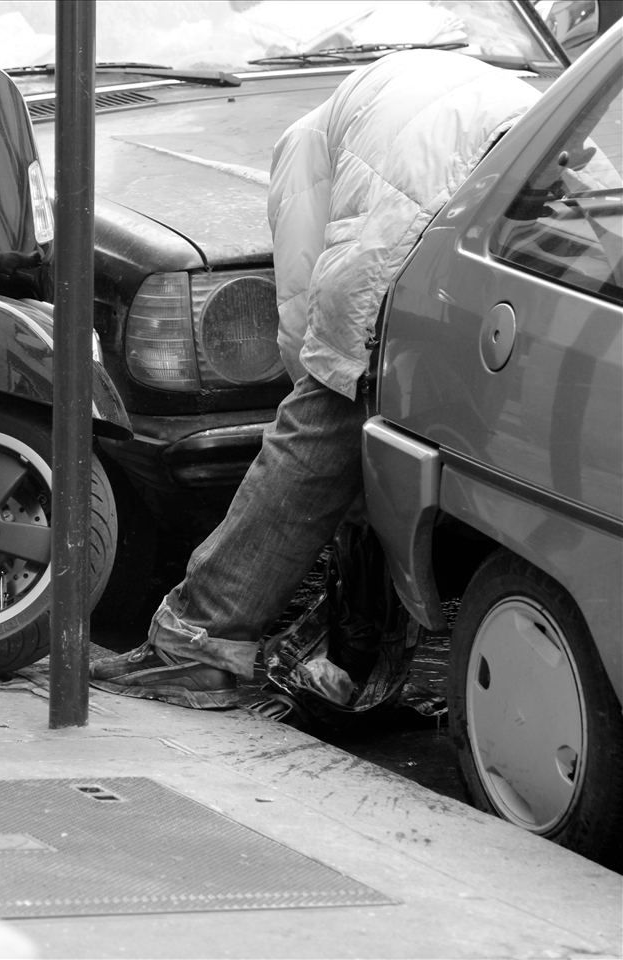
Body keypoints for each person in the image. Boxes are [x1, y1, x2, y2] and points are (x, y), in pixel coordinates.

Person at [89, 50, 539, 708]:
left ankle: (200, 641)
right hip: (526, 160)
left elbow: (302, 301)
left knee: (324, 420)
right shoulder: (460, 80)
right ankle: (370, 655)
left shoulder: (301, 142)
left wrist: (320, 386)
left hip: (416, 199)